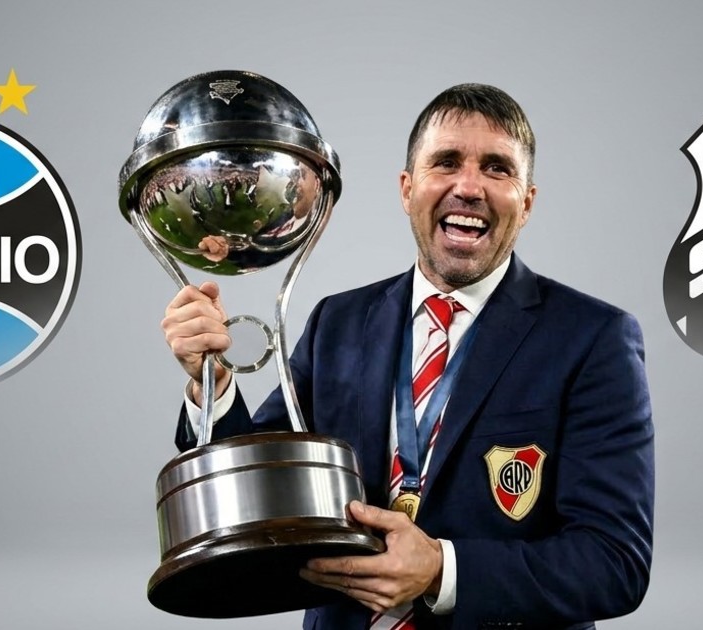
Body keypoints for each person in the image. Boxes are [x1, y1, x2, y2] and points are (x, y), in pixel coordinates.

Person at [162, 84, 654, 629]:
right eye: (446, 162)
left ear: (528, 202)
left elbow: (615, 563)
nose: (469, 187)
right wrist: (211, 381)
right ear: (407, 188)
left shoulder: (592, 338)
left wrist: (443, 571)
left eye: (497, 168)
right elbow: (262, 494)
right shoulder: (337, 323)